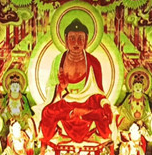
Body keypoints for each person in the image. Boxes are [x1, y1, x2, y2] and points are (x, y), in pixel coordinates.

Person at [39, 18, 113, 146]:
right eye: (72, 38)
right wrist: (60, 87)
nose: (76, 43)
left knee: (104, 114)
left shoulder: (93, 62)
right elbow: (50, 87)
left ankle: (98, 135)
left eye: (80, 39)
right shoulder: (58, 61)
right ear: (65, 40)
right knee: (47, 112)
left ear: (86, 41)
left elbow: (98, 92)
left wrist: (105, 104)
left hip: (87, 103)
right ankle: (51, 140)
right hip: (65, 103)